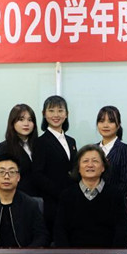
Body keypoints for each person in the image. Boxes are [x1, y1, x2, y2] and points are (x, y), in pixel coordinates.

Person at [54, 145, 127, 248]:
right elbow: (60, 231)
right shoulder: (67, 195)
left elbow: (121, 232)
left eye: (95, 161)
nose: (90, 165)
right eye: (85, 161)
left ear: (103, 167)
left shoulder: (116, 195)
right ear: (78, 168)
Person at [32, 95, 77, 232]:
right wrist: (60, 193)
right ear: (44, 114)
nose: (56, 115)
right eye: (51, 111)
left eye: (60, 110)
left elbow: (74, 169)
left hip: (72, 200)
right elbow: (38, 174)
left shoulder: (71, 141)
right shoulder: (40, 142)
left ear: (66, 114)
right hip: (51, 202)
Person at [0, 104, 38, 195]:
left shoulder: (39, 145)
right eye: (21, 119)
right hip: (17, 197)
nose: (26, 124)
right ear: (12, 122)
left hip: (41, 198)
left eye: (30, 120)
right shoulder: (4, 147)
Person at [96, 106, 127, 200]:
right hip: (91, 204)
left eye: (111, 121)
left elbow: (126, 183)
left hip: (116, 204)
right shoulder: (93, 150)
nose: (105, 125)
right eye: (101, 121)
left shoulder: (125, 150)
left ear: (118, 125)